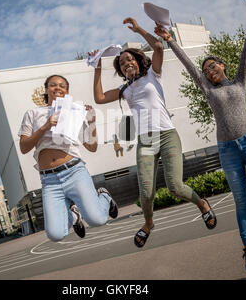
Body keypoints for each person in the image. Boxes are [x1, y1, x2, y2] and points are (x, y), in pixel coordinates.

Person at [154, 0, 246, 270]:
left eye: (213, 66)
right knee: (241, 200)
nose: (208, 70)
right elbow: (189, 66)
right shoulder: (207, 89)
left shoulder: (239, 81)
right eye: (206, 69)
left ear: (223, 66)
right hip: (227, 149)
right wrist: (170, 42)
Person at [89, 17, 217, 249]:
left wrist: (138, 29)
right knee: (146, 193)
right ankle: (148, 224)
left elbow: (158, 46)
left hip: (167, 135)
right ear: (120, 70)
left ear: (138, 61)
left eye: (130, 59)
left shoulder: (152, 75)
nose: (126, 63)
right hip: (146, 141)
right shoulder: (124, 89)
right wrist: (97, 65)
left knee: (175, 187)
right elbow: (98, 97)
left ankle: (202, 205)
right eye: (121, 63)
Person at [18, 74, 118, 242]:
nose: (57, 88)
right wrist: (46, 126)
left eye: (62, 86)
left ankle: (105, 197)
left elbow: (91, 147)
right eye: (53, 85)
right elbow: (24, 147)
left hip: (74, 172)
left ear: (67, 91)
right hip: (49, 180)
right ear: (46, 89)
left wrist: (92, 122)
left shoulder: (74, 113)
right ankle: (74, 216)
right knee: (56, 235)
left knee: (97, 220)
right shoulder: (33, 114)